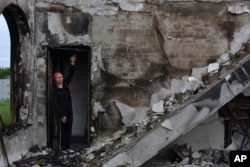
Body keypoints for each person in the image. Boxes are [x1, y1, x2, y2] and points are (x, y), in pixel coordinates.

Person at [52, 54, 77, 151]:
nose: (60, 79)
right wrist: (62, 115)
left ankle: (67, 147)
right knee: (62, 131)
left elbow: (70, 75)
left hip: (69, 112)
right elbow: (56, 104)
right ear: (55, 79)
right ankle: (61, 149)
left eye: (61, 77)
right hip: (61, 114)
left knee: (68, 130)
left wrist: (72, 63)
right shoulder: (55, 90)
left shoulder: (65, 85)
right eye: (58, 77)